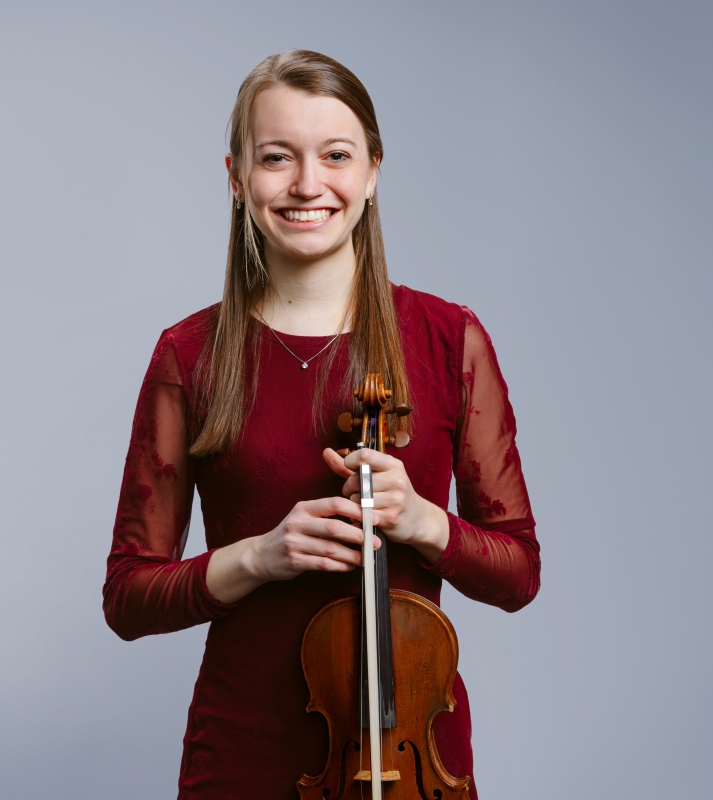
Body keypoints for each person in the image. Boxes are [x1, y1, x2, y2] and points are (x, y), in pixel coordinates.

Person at [103, 49, 540, 800]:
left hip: (409, 764)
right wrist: (259, 557)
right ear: (237, 177)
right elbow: (128, 597)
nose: (308, 184)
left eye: (335, 155)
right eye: (277, 157)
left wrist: (424, 521)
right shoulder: (189, 354)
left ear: (372, 172)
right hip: (241, 759)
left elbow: (518, 573)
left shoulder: (449, 339)